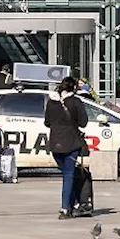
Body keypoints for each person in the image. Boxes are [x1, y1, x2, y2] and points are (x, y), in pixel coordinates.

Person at [44, 77, 89, 220]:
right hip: (71, 142)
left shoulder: (51, 102)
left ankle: (73, 204)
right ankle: (65, 208)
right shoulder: (76, 102)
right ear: (74, 88)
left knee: (66, 174)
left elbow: (47, 122)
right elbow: (83, 123)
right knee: (68, 175)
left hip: (55, 143)